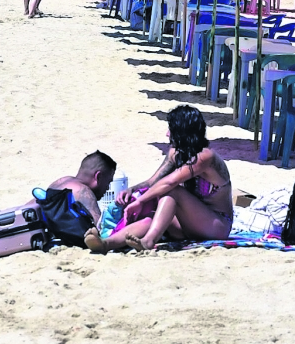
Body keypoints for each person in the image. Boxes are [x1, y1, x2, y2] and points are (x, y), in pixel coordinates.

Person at [85, 105, 232, 253]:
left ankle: (148, 242)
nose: (167, 134)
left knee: (173, 191)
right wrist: (132, 191)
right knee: (152, 218)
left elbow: (170, 183)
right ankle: (106, 243)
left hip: (217, 225)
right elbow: (153, 182)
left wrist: (140, 201)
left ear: (182, 132)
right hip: (190, 224)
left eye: (171, 130)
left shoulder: (205, 157)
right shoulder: (176, 154)